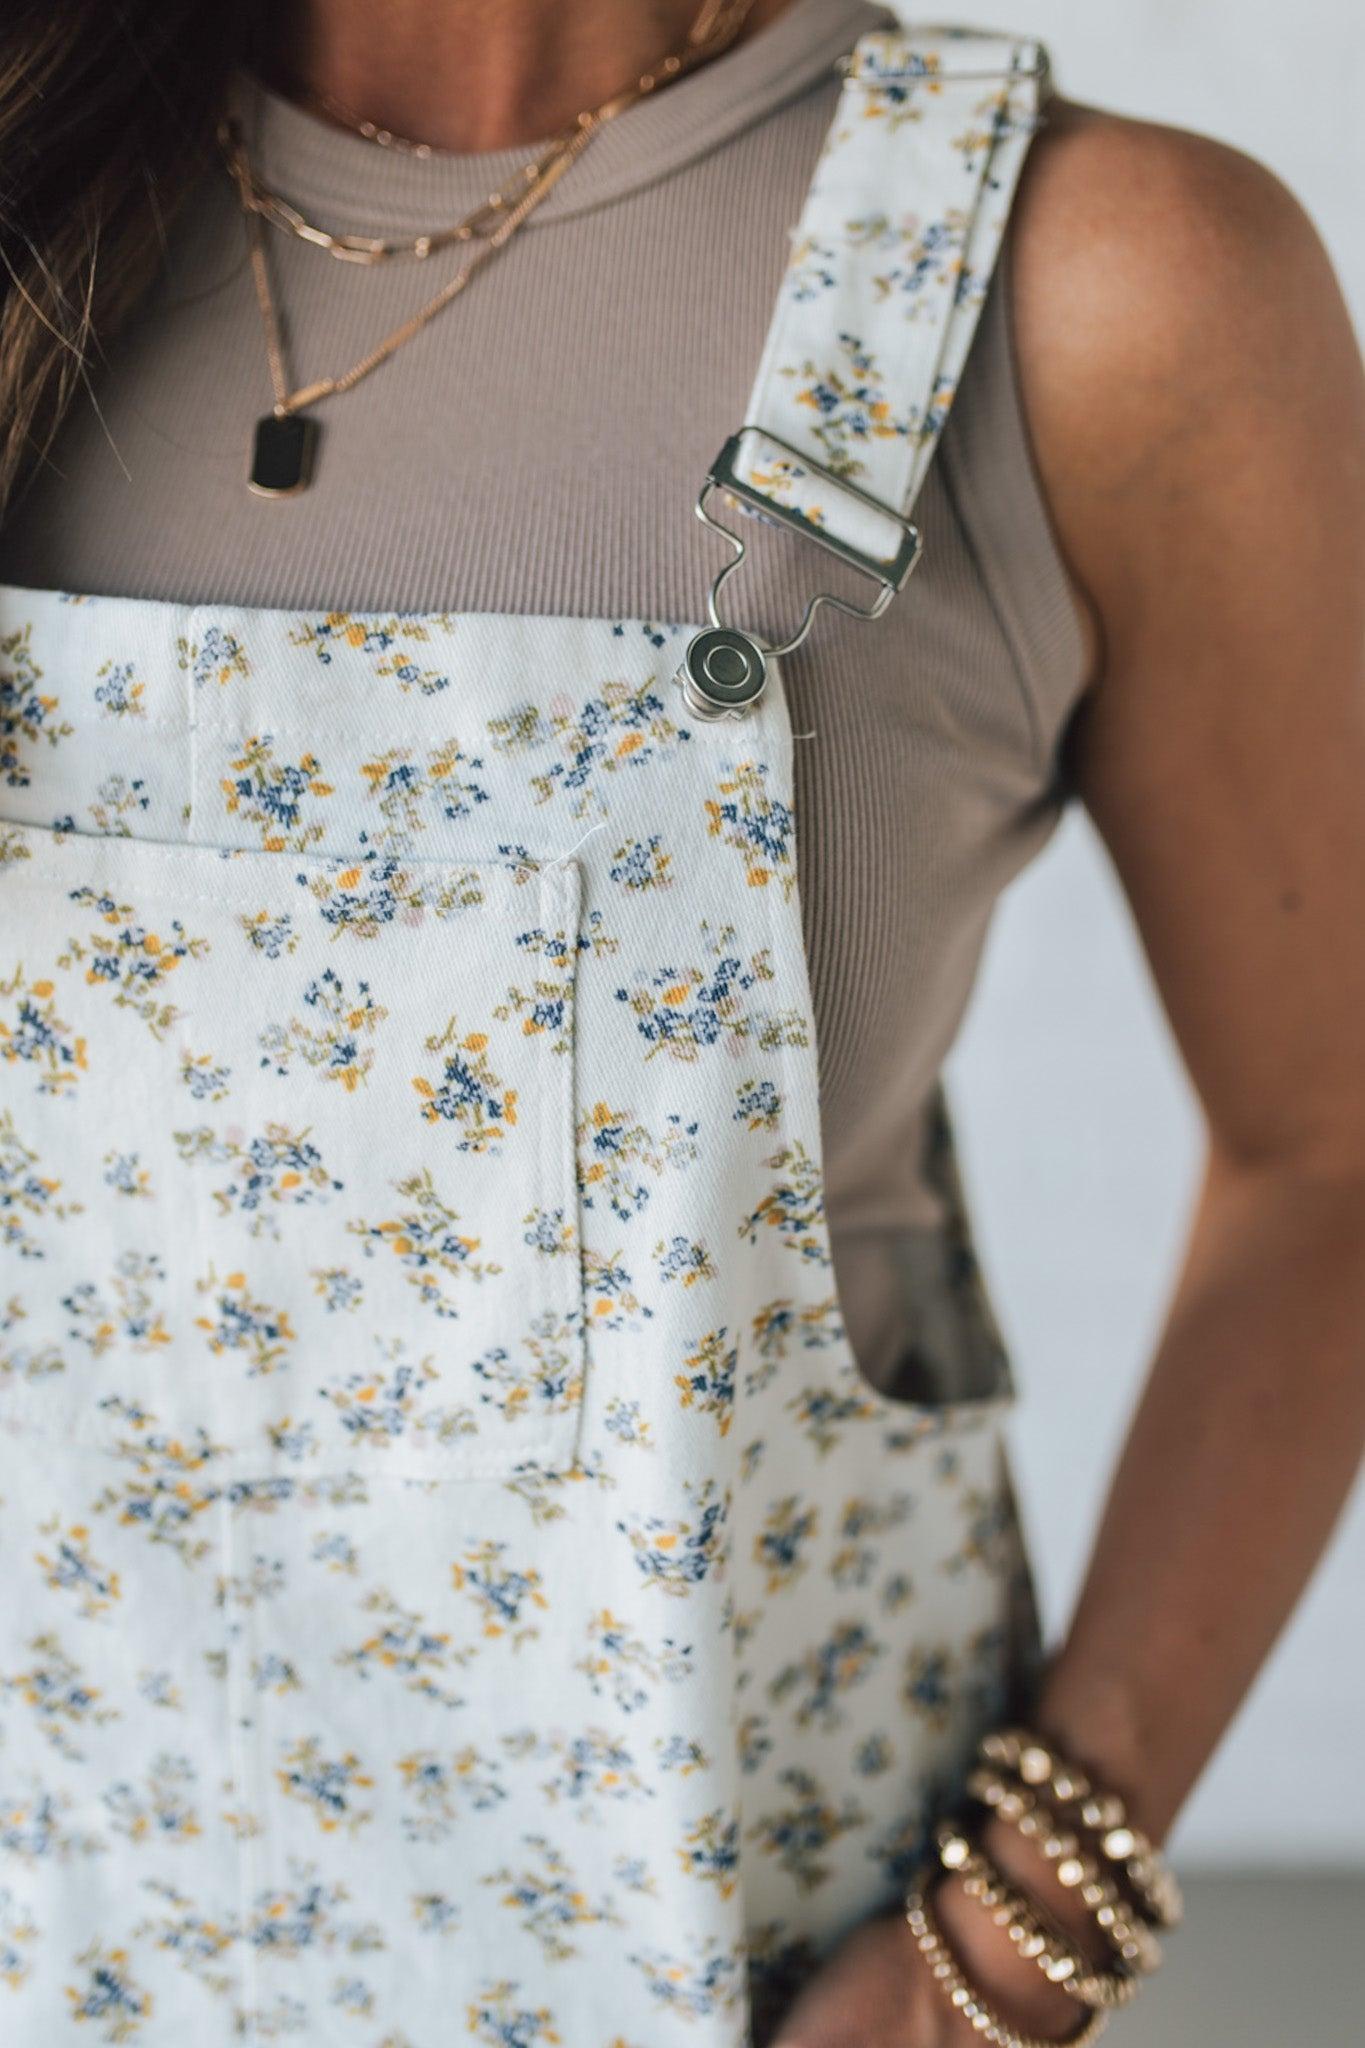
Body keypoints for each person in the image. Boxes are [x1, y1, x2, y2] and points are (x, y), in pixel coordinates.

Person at [0, 2, 1361, 2044]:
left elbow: (1329, 1145)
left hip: (719, 1942)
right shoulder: (41, 174)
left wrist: (994, 1952)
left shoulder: (1073, 280)